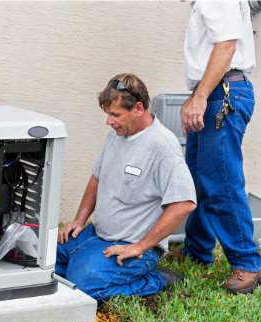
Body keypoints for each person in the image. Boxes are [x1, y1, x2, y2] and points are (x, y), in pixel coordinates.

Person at [57, 74, 197, 301]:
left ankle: (157, 279)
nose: (109, 121)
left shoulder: (162, 146)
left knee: (83, 287)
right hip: (96, 235)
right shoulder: (118, 134)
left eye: (115, 115)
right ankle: (90, 262)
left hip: (132, 245)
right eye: (108, 114)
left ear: (139, 108)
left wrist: (140, 246)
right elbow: (97, 177)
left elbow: (184, 204)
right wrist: (79, 220)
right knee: (44, 263)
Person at [167, 0, 260, 294]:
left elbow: (226, 47)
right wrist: (198, 96)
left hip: (222, 94)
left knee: (219, 180)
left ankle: (247, 262)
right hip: (213, 93)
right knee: (197, 178)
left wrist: (199, 97)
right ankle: (197, 250)